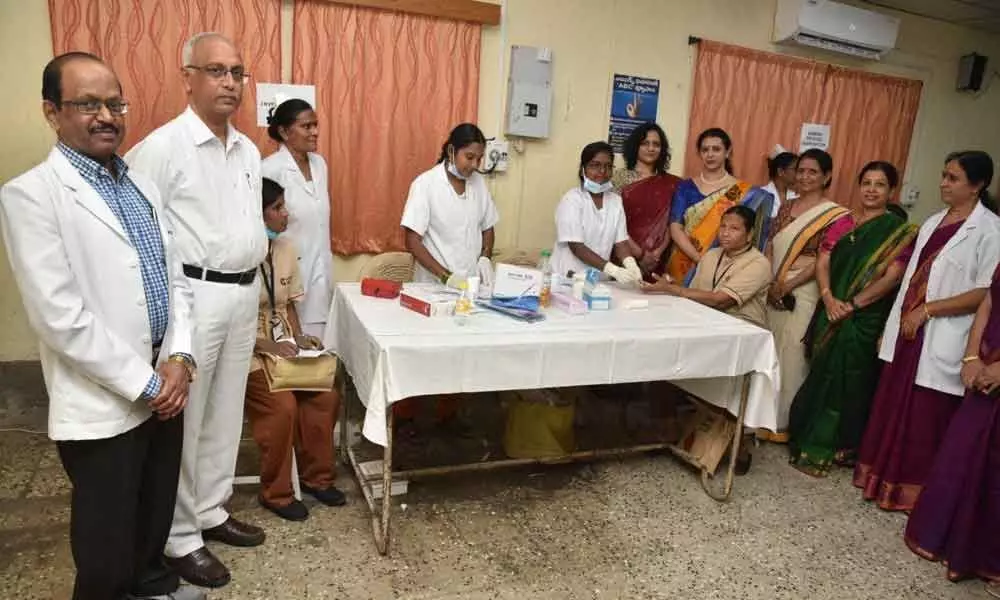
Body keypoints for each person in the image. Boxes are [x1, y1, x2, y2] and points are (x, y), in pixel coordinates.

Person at [0, 53, 201, 600]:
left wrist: (180, 358)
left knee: (153, 509)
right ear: (52, 111)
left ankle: (153, 582)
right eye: (87, 104)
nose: (106, 116)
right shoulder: (30, 196)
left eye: (114, 102)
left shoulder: (141, 185)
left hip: (167, 381)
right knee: (105, 538)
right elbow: (60, 318)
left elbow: (175, 279)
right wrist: (148, 383)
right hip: (107, 398)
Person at [126, 32, 268, 588]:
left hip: (240, 294)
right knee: (185, 419)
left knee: (226, 413)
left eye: (238, 72)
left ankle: (210, 508)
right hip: (194, 296)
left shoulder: (249, 148)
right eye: (216, 70)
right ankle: (180, 535)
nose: (230, 82)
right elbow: (137, 231)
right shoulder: (163, 148)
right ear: (188, 77)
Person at [854, 150, 1000, 512]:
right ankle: (877, 482)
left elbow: (987, 291)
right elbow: (911, 280)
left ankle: (911, 494)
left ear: (978, 185)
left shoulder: (989, 230)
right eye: (943, 175)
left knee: (923, 418)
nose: (943, 183)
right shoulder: (933, 221)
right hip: (907, 332)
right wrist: (894, 326)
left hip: (941, 331)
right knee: (890, 407)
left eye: (953, 178)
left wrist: (928, 310)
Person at [787, 161, 918, 476]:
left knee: (852, 381)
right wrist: (830, 298)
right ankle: (807, 439)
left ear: (891, 191)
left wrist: (853, 305)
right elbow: (823, 261)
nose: (871, 190)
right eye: (867, 183)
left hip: (864, 317)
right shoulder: (842, 223)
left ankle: (841, 447)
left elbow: (893, 277)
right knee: (821, 373)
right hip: (831, 308)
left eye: (880, 184)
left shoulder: (899, 232)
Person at [246, 179, 345, 522]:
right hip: (248, 354)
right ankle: (276, 492)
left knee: (325, 396)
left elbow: (287, 305)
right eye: (276, 208)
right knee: (282, 405)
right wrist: (266, 345)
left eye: (283, 206)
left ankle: (316, 478)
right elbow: (229, 322)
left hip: (284, 346)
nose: (285, 213)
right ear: (255, 215)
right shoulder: (239, 254)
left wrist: (299, 338)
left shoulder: (286, 248)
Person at [904, 262, 1000, 586]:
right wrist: (972, 356)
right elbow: (990, 299)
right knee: (963, 452)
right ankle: (953, 540)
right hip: (985, 364)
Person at [763, 149, 850, 443]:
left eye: (813, 172)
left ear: (826, 176)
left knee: (793, 351)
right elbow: (772, 244)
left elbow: (823, 260)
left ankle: (784, 420)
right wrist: (771, 280)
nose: (804, 177)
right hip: (773, 284)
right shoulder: (785, 207)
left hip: (804, 287)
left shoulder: (837, 215)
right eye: (800, 171)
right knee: (770, 347)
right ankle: (761, 414)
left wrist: (788, 284)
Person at [262, 98, 333, 339]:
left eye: (315, 125)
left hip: (321, 270)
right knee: (291, 349)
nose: (314, 132)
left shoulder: (320, 164)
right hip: (287, 275)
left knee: (320, 349)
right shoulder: (269, 169)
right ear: (284, 131)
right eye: (306, 127)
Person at [665, 127, 774, 283]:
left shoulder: (745, 192)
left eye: (716, 149)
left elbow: (750, 233)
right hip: (683, 261)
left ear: (727, 152)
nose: (710, 154)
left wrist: (712, 264)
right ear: (699, 154)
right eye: (705, 150)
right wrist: (701, 260)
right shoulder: (685, 186)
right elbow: (675, 227)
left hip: (724, 265)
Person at [401, 123, 498, 289]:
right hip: (434, 285)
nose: (475, 165)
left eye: (479, 158)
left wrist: (485, 257)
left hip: (470, 286)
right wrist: (447, 277)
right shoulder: (426, 184)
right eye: (469, 157)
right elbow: (412, 242)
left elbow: (487, 227)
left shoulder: (479, 184)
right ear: (451, 151)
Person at [642, 205, 771, 329]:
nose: (725, 233)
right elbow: (694, 294)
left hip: (742, 328)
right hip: (707, 322)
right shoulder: (711, 254)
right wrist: (671, 285)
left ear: (749, 234)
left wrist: (672, 289)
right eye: (723, 226)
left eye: (734, 229)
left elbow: (720, 301)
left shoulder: (759, 263)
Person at [550, 141, 641, 282]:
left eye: (608, 166)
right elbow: (576, 246)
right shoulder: (572, 200)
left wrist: (630, 264)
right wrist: (613, 270)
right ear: (583, 169)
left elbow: (621, 242)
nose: (602, 172)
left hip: (599, 280)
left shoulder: (616, 201)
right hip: (568, 278)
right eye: (595, 165)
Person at [611, 122, 682, 278]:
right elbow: (613, 222)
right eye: (645, 143)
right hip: (624, 254)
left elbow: (674, 221)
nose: (651, 148)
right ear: (635, 146)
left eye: (656, 144)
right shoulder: (618, 179)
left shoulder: (674, 184)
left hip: (660, 260)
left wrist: (657, 253)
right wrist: (640, 254)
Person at [761, 150, 799, 217]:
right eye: (795, 169)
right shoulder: (761, 194)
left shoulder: (796, 196)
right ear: (780, 171)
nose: (798, 174)